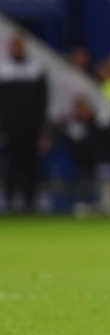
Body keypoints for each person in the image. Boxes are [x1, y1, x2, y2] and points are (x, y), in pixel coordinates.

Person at [0, 35, 48, 212]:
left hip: (31, 127)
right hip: (9, 127)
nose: (16, 49)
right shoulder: (3, 69)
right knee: (9, 164)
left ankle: (30, 200)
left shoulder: (35, 68)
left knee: (30, 165)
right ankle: (9, 199)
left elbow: (43, 100)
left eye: (19, 46)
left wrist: (42, 127)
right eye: (14, 46)